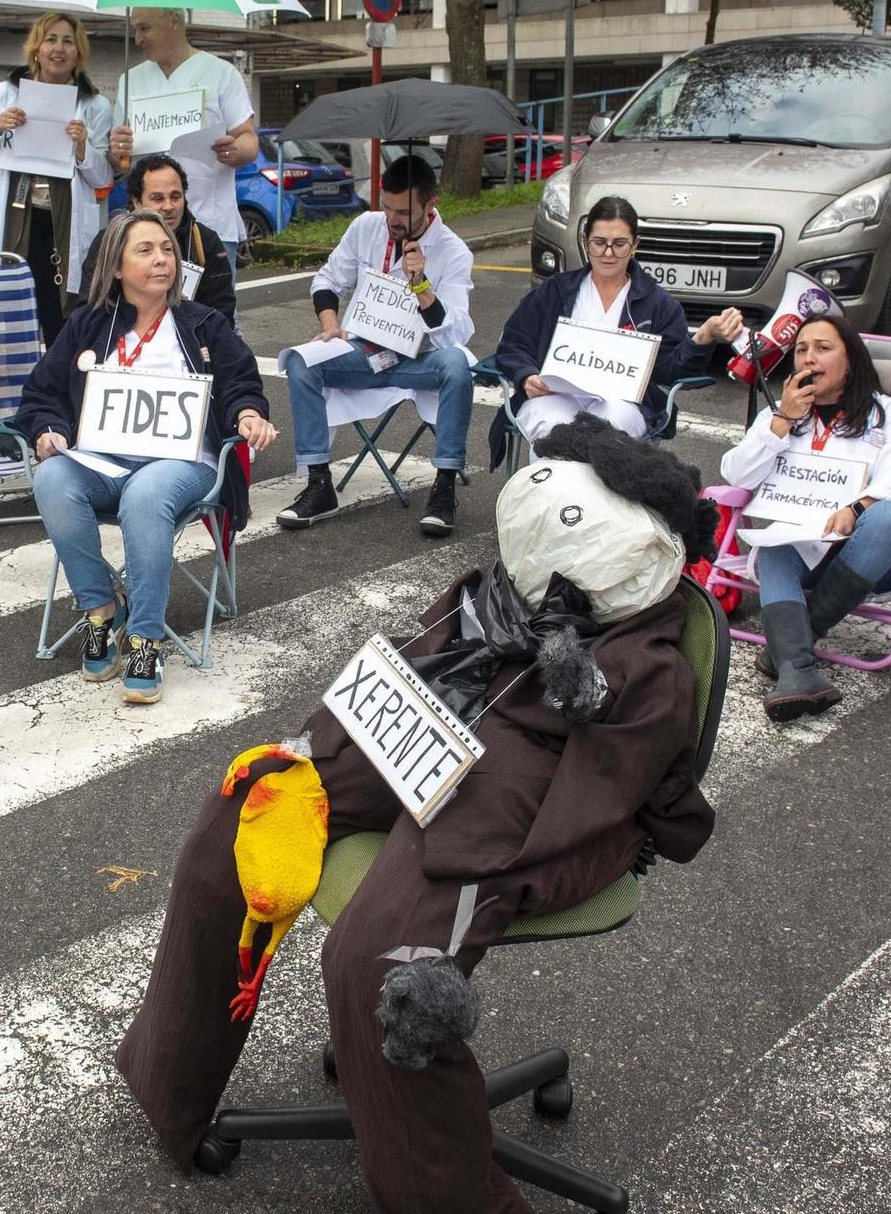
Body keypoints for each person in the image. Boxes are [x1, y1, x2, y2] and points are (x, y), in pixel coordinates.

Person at [117, 416, 717, 1214]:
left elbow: (597, 804)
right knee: (245, 811)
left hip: (539, 791)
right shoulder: (502, 588)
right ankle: (175, 1091)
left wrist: (489, 864)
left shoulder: (648, 666)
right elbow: (411, 659)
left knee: (384, 965)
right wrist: (312, 752)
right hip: (441, 727)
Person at [14, 210, 274, 705]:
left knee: (145, 494)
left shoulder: (203, 324)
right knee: (51, 478)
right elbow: (41, 394)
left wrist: (246, 415)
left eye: (166, 250)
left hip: (181, 463)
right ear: (116, 267)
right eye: (146, 250)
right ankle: (100, 609)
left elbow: (243, 383)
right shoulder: (87, 326)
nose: (162, 259)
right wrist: (48, 431)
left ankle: (145, 640)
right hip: (102, 460)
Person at [719, 313, 891, 722]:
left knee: (890, 517)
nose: (809, 358)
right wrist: (781, 421)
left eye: (823, 348)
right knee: (774, 544)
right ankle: (798, 671)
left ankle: (789, 649)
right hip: (798, 550)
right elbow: (736, 475)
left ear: (851, 360)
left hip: (863, 552)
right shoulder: (781, 414)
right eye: (802, 349)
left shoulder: (890, 412)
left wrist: (855, 509)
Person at [276, 154, 476, 537]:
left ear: (431, 205)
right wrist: (331, 325)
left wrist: (421, 286)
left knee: (457, 366)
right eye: (386, 207)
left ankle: (444, 486)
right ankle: (319, 483)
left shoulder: (453, 252)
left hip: (421, 359)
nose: (392, 219)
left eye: (403, 211)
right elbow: (326, 281)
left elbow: (457, 333)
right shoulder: (366, 227)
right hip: (365, 353)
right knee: (301, 361)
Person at [493, 195, 731, 452]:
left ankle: (585, 491)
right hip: (554, 397)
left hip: (622, 403)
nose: (608, 253)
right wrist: (526, 375)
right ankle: (550, 491)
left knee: (607, 437)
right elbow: (514, 343)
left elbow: (670, 370)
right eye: (599, 243)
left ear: (635, 245)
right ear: (585, 242)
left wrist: (704, 337)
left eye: (619, 244)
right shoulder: (555, 291)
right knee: (553, 430)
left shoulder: (658, 304)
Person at [0, 12, 114, 347]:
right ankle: (20, 392)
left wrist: (81, 146)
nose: (59, 49)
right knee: (12, 318)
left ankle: (58, 392)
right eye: (51, 39)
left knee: (62, 316)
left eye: (68, 41)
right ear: (36, 49)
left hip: (63, 226)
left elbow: (102, 177)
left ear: (79, 52)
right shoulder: (5, 94)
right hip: (16, 220)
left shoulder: (94, 105)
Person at [106, 8, 259, 273]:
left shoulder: (221, 73)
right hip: (149, 230)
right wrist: (117, 150)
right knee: (153, 311)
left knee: (215, 312)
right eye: (135, 30)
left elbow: (249, 139)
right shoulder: (131, 81)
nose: (138, 39)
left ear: (173, 21)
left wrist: (235, 149)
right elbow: (121, 163)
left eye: (145, 28)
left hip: (210, 225)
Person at [81, 153, 237, 328]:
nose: (169, 206)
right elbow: (89, 307)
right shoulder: (109, 241)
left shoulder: (205, 241)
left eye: (176, 197)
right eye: (158, 198)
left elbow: (222, 313)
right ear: (137, 201)